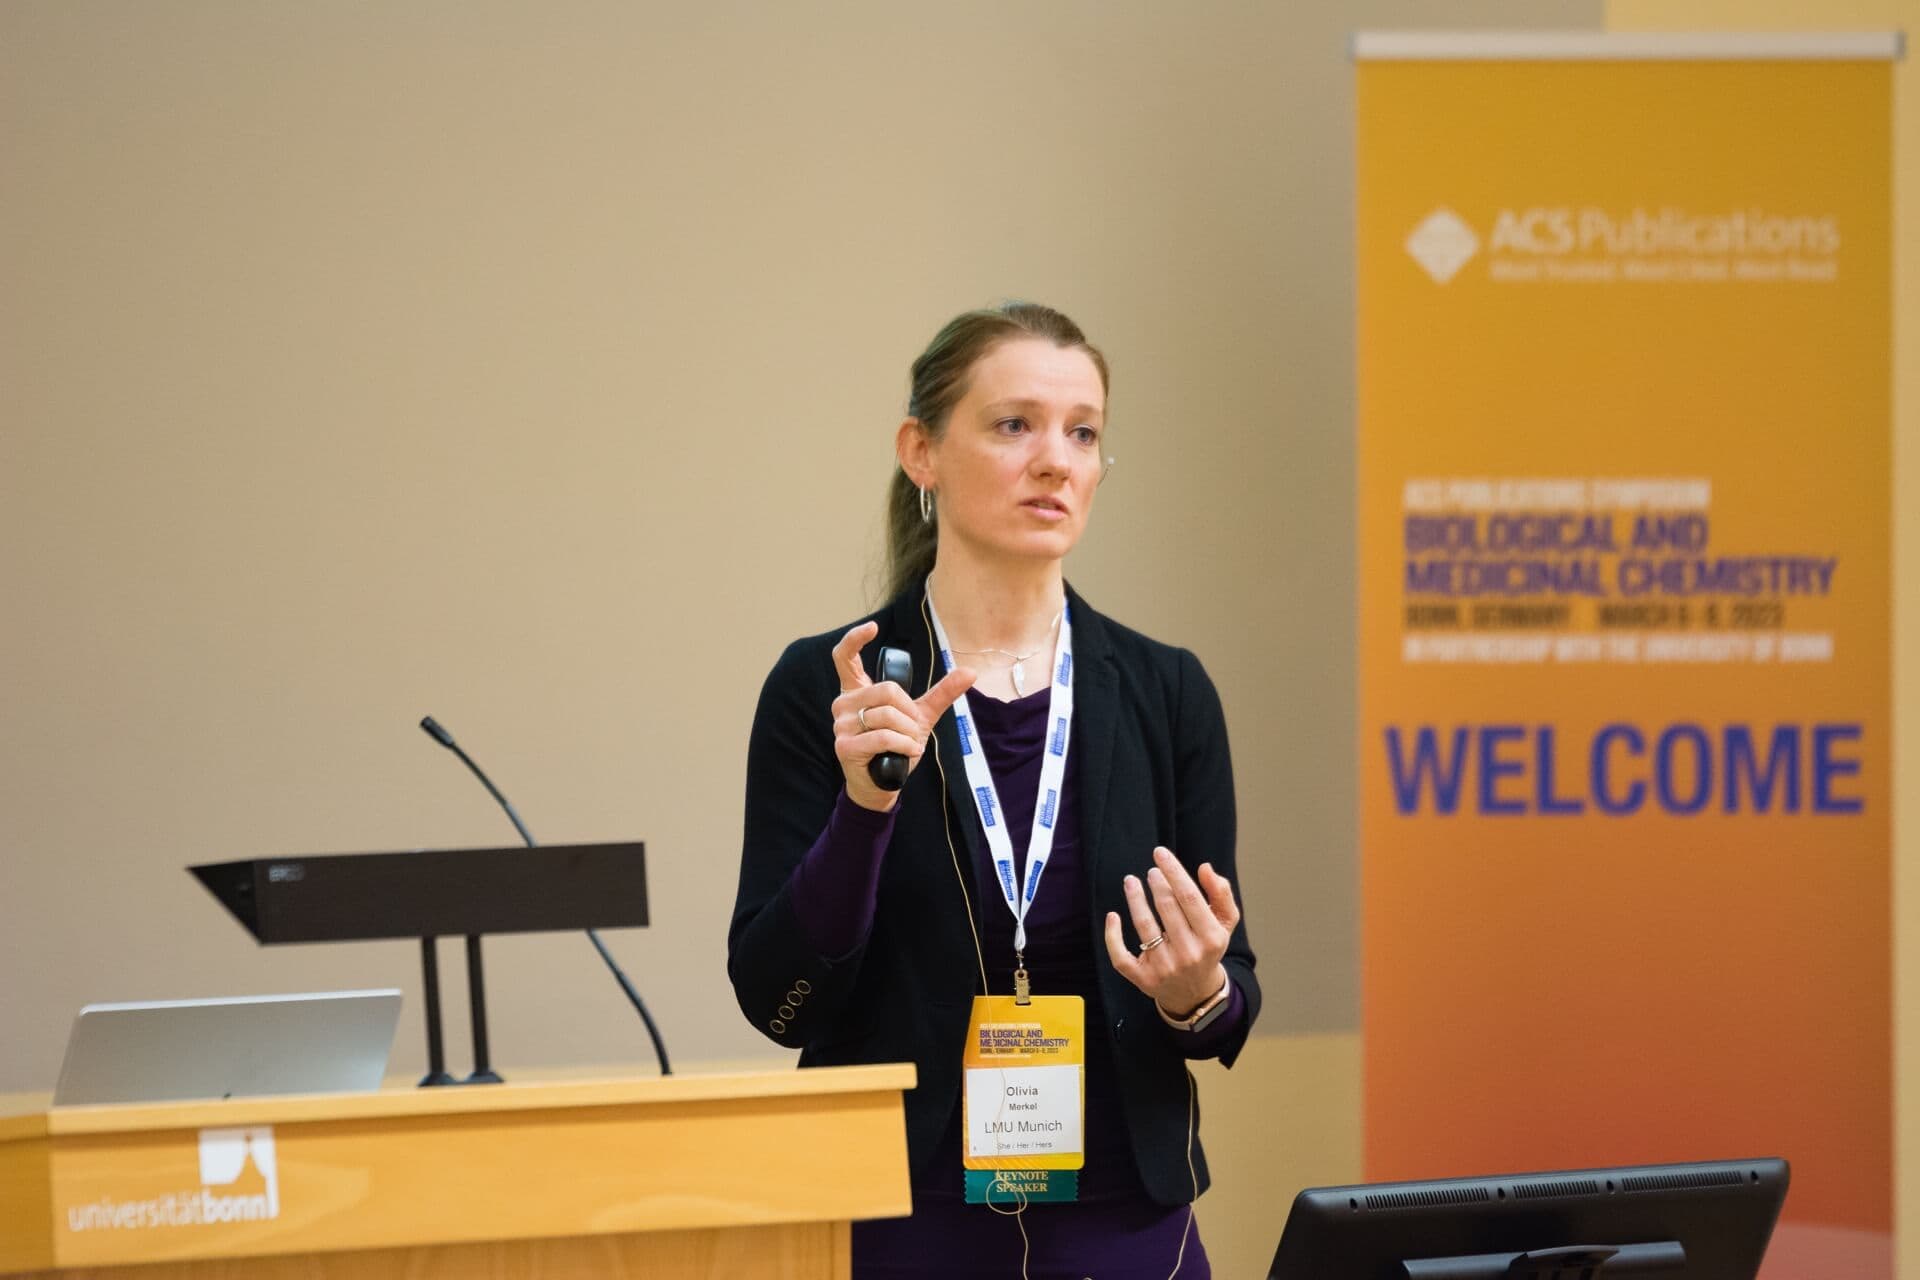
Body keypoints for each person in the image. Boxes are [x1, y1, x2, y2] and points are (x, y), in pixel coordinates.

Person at [729, 302, 1259, 1279]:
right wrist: (863, 807)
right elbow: (780, 1003)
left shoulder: (1166, 689)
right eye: (1015, 423)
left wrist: (1200, 993)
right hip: (901, 1216)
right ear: (921, 451)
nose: (1056, 458)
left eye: (1083, 431)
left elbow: (1232, 998)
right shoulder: (832, 686)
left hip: (1125, 1221)